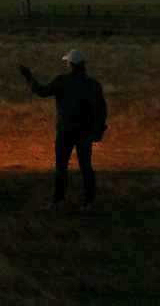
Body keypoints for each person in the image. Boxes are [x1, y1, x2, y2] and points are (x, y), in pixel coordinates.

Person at [20, 49, 107, 207]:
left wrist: (28, 77)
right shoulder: (93, 85)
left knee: (61, 167)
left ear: (70, 64)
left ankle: (58, 200)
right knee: (86, 166)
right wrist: (99, 130)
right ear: (83, 65)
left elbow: (41, 91)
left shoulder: (62, 81)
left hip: (65, 131)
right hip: (84, 132)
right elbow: (102, 110)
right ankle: (89, 201)